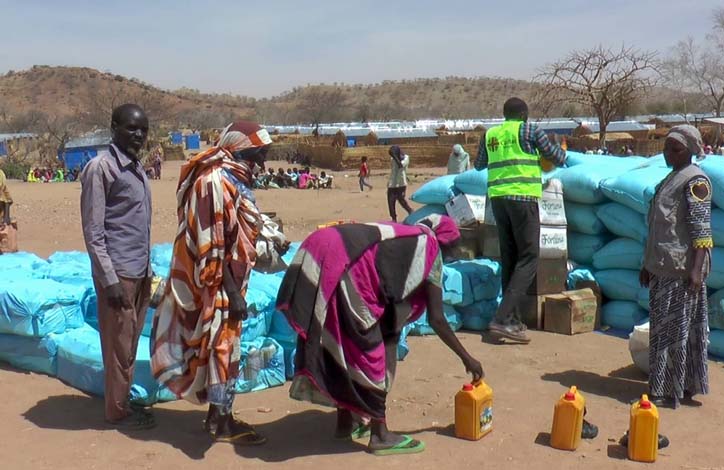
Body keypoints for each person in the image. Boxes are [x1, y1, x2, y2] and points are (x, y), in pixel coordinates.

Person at [276, 215, 484, 456]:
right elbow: (437, 318)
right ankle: (380, 434)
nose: (451, 255)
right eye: (452, 248)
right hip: (344, 263)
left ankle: (345, 421)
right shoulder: (430, 249)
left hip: (324, 248)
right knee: (370, 352)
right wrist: (467, 358)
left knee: (344, 343)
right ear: (446, 242)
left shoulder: (405, 237)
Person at [151, 121, 272, 445]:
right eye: (256, 155)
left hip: (230, 282)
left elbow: (237, 231)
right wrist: (231, 292)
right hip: (214, 284)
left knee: (225, 350)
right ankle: (220, 421)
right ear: (237, 150)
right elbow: (211, 242)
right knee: (220, 349)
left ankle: (219, 415)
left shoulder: (235, 180)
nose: (260, 163)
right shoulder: (213, 182)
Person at [80, 103, 154, 430]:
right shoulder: (102, 168)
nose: (138, 135)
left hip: (140, 269)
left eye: (143, 130)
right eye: (131, 128)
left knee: (130, 342)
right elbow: (94, 232)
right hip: (119, 273)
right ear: (114, 127)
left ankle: (121, 400)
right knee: (118, 344)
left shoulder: (136, 168)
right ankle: (117, 411)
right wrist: (109, 280)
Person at [474, 97, 566, 343]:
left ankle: (512, 320)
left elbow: (478, 164)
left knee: (510, 258)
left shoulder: (490, 134)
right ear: (524, 114)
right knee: (529, 257)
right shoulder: (530, 129)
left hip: (498, 200)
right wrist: (562, 152)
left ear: (505, 115)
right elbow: (555, 157)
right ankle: (502, 317)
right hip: (523, 198)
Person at [640, 125, 711, 409]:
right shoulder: (670, 179)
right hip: (661, 266)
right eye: (667, 147)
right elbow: (658, 228)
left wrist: (696, 270)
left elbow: (702, 231)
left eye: (675, 149)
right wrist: (646, 264)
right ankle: (662, 386)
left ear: (691, 151)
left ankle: (678, 388)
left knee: (679, 331)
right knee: (661, 330)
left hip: (682, 270)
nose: (668, 153)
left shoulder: (696, 182)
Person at [387, 145, 413, 222]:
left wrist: (395, 156)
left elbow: (400, 165)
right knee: (391, 202)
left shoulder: (406, 158)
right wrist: (394, 156)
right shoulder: (392, 158)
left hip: (401, 183)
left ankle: (410, 211)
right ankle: (393, 218)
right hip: (392, 183)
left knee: (401, 200)